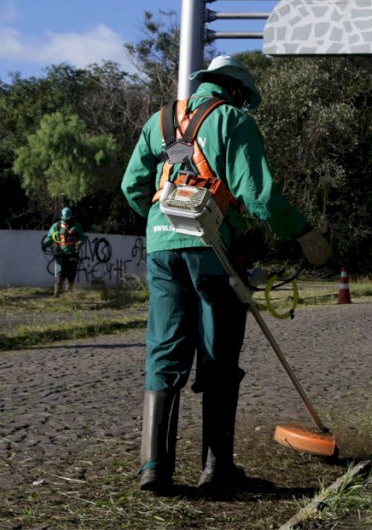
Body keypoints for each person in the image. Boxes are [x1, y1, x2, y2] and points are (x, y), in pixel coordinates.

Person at [120, 54, 331, 494]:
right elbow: (259, 196)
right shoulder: (233, 121)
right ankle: (216, 471)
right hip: (212, 248)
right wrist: (303, 232)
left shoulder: (158, 122)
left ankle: (153, 468)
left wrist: (163, 219)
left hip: (161, 248)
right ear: (235, 90)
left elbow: (132, 187)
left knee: (165, 348)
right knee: (217, 354)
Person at [41, 206, 88, 297]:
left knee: (71, 273)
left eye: (68, 219)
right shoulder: (57, 226)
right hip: (61, 254)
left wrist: (79, 244)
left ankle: (69, 292)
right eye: (65, 219)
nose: (67, 220)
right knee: (60, 272)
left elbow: (83, 238)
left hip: (73, 254)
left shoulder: (77, 226)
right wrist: (44, 245)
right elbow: (50, 238)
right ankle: (57, 292)